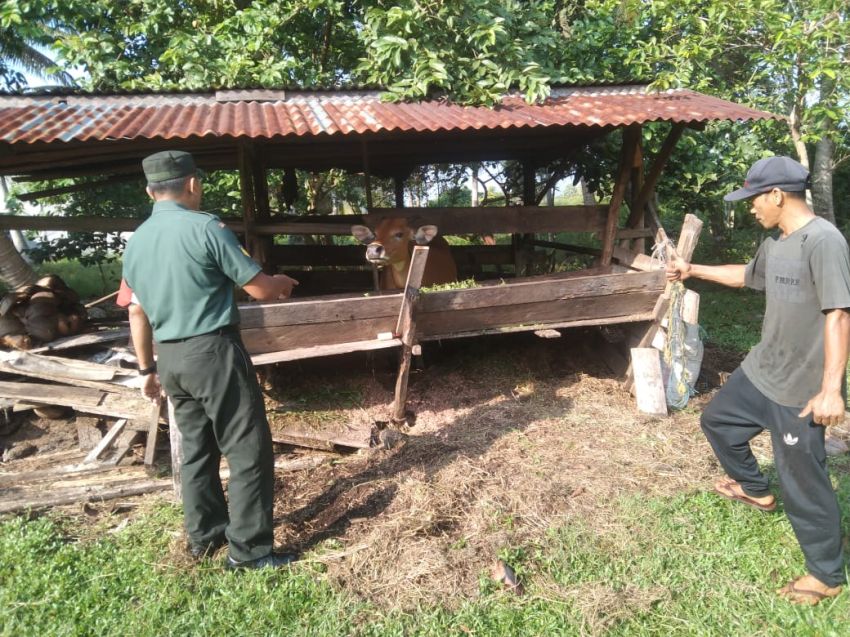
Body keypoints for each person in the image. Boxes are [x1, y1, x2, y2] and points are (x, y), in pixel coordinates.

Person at [666, 156, 850, 605]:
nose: (750, 208)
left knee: (802, 481)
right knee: (717, 422)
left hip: (799, 388)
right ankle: (755, 490)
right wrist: (694, 271)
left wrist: (830, 390)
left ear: (776, 195)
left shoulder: (824, 241)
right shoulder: (779, 241)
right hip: (761, 369)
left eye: (753, 199)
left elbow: (839, 314)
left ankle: (826, 574)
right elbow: (746, 277)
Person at [122, 150, 299, 570]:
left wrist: (147, 369)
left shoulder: (137, 241)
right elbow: (258, 289)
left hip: (170, 358)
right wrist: (283, 283)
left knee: (197, 450)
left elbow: (135, 310)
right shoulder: (206, 228)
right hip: (213, 352)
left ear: (150, 190)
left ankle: (204, 536)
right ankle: (250, 551)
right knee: (247, 449)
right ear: (193, 184)